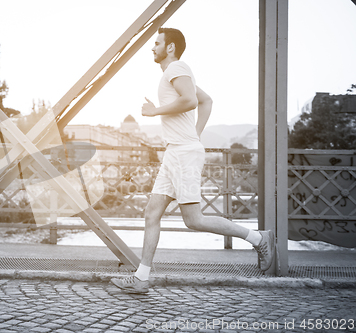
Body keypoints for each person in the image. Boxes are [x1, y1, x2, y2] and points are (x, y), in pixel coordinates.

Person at [111, 27, 275, 294]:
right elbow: (206, 101)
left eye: (157, 43)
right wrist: (195, 134)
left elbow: (190, 100)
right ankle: (141, 278)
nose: (152, 48)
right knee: (151, 213)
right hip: (176, 151)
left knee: (194, 220)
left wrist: (154, 112)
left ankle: (259, 238)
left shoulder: (176, 68)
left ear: (171, 47)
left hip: (184, 153)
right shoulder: (174, 72)